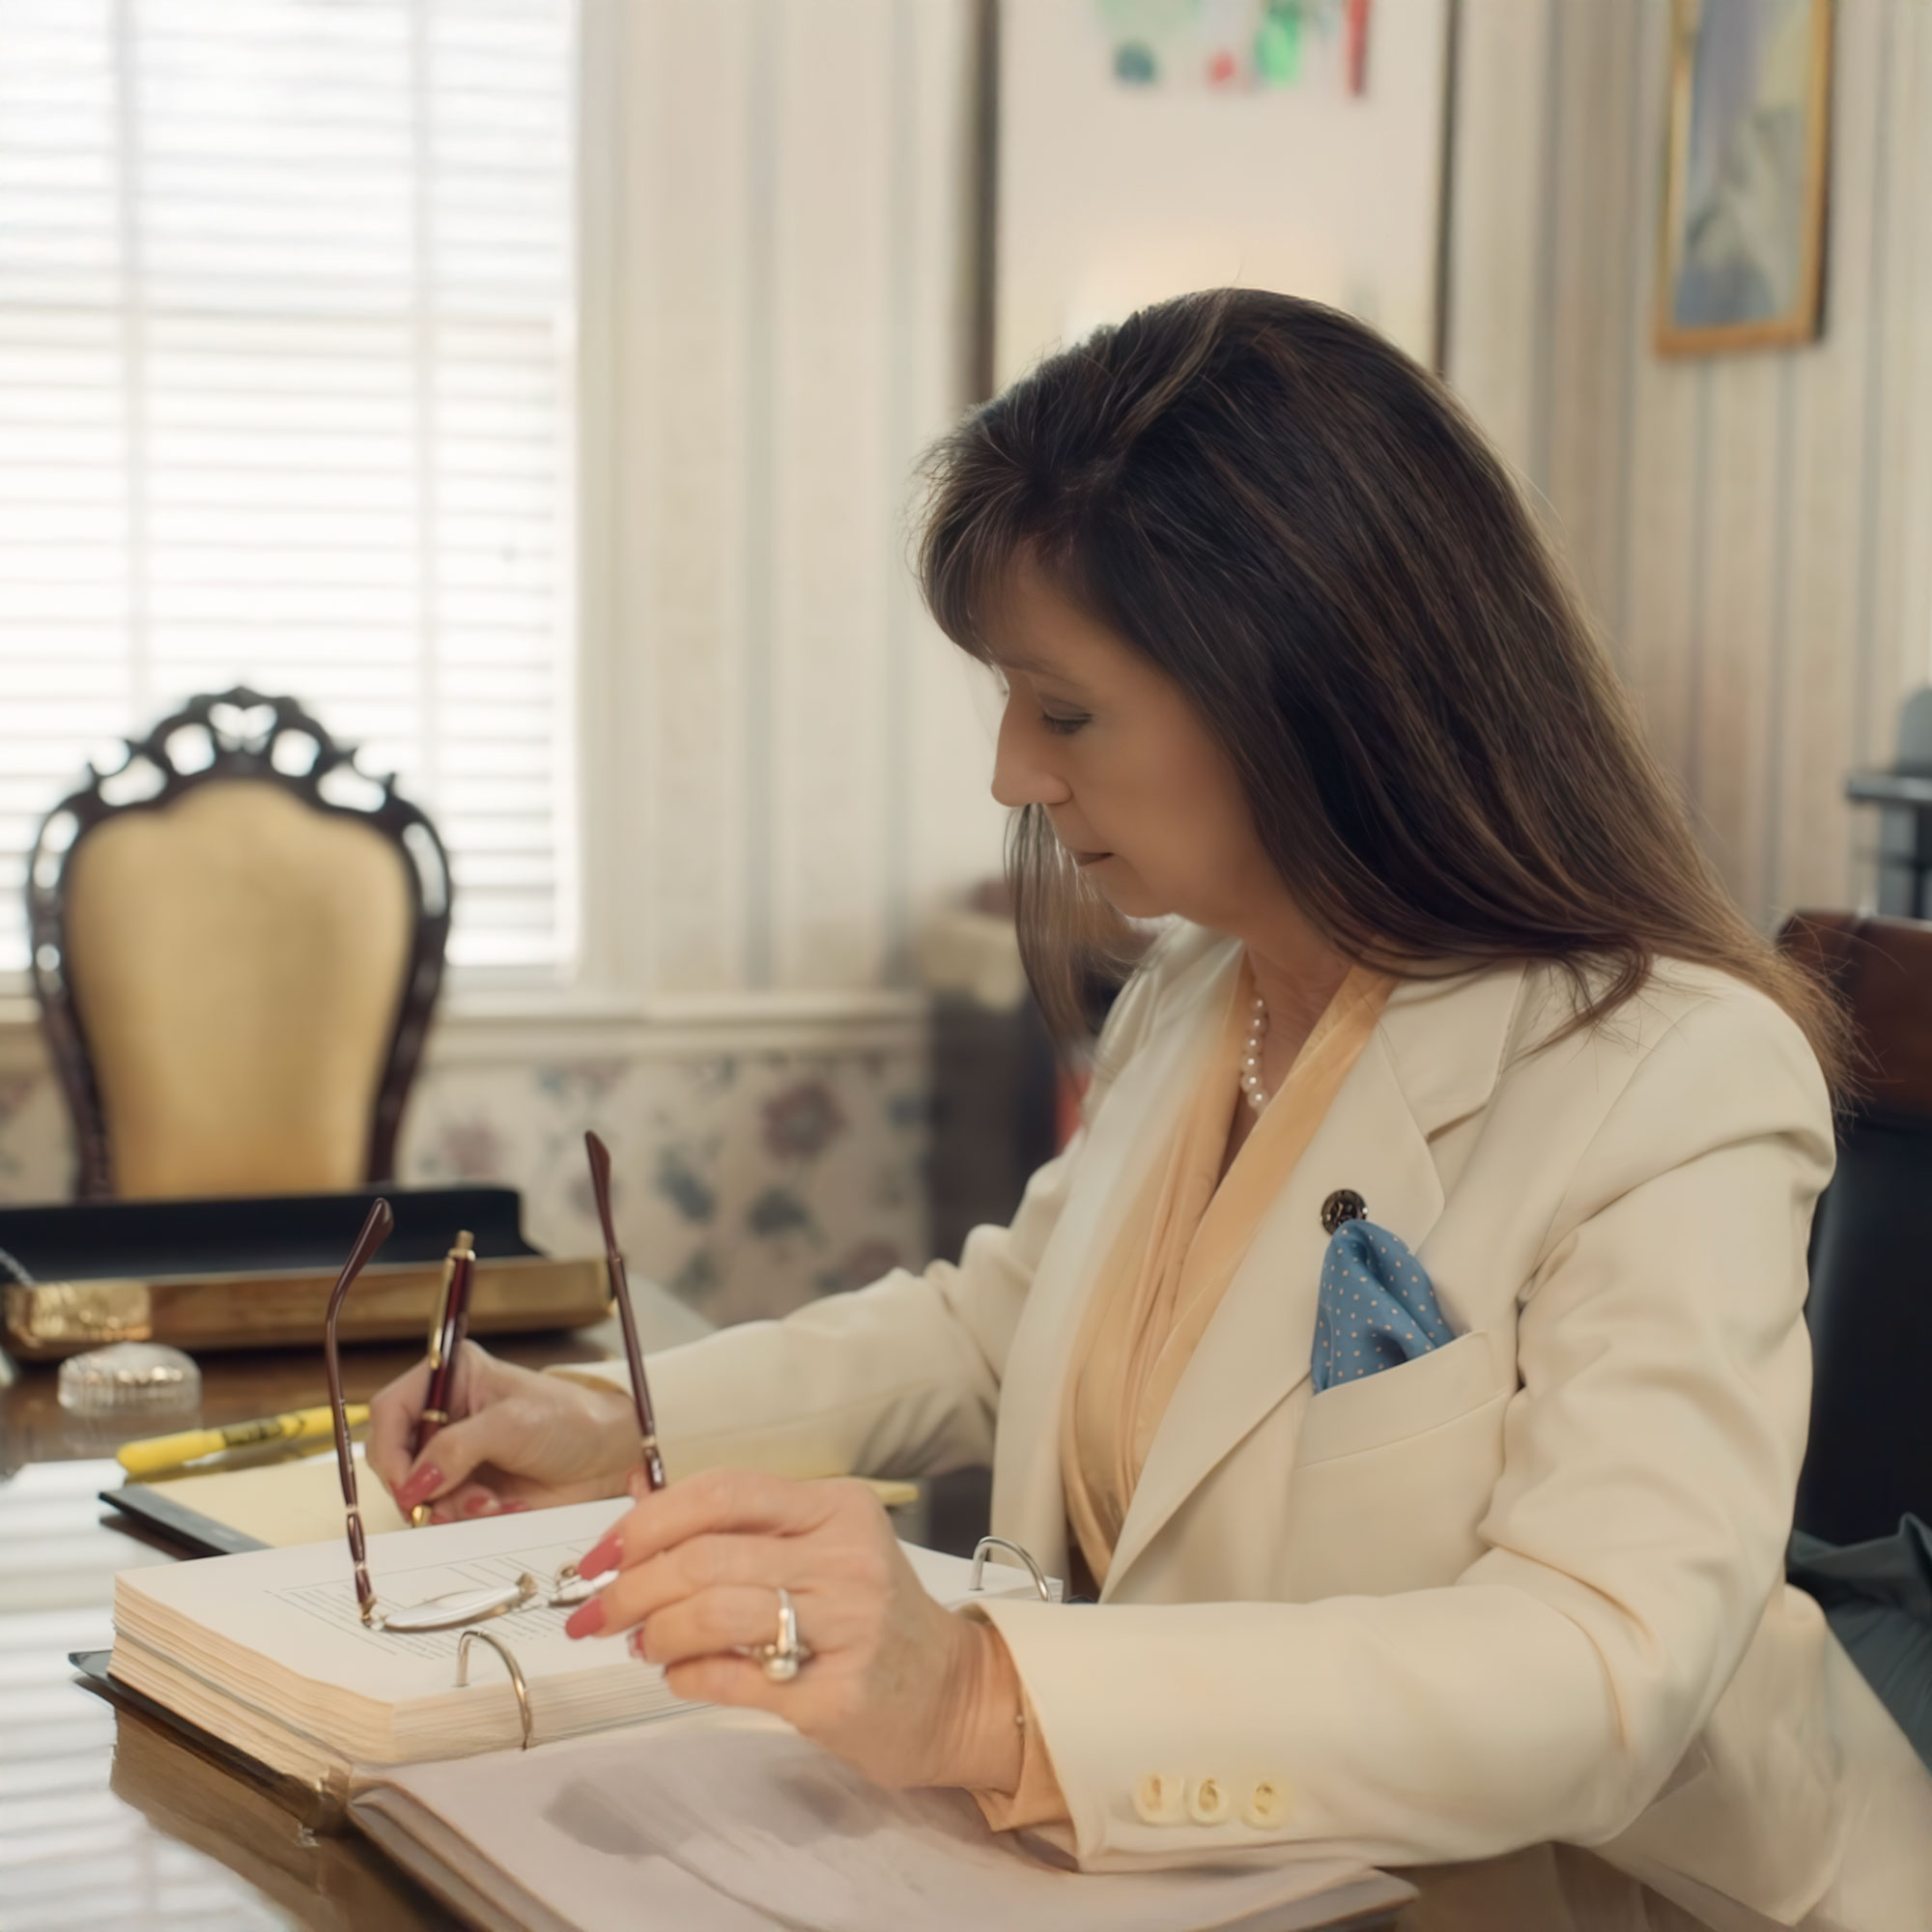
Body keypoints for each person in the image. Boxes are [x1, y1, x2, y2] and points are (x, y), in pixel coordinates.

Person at [369, 290, 1932, 1929]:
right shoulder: (1200, 987)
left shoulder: (1678, 1072)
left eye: (1063, 709)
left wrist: (983, 1696)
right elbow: (997, 1325)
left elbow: (1603, 1669)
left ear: (1306, 687)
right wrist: (617, 1426)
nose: (1012, 773)